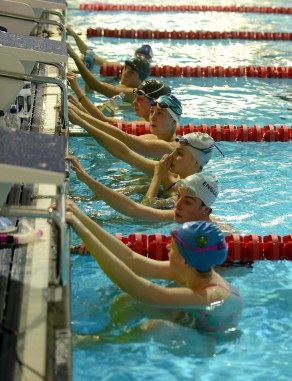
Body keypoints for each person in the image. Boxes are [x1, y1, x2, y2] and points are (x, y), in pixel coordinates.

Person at [65, 205, 244, 338]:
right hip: (190, 319)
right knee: (128, 301)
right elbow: (131, 260)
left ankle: (99, 343)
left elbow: (143, 290)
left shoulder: (213, 295)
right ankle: (108, 333)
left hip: (208, 342)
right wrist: (80, 218)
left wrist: (86, 236)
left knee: (156, 327)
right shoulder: (189, 269)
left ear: (185, 259)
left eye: (172, 247)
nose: (166, 246)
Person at [67, 43, 151, 103]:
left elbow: (95, 86)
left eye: (131, 72)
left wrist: (74, 55)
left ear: (141, 78)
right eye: (125, 68)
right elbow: (92, 90)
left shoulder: (135, 93)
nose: (125, 73)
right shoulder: (123, 87)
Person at [67, 76, 171, 123]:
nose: (134, 103)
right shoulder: (144, 122)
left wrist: (77, 90)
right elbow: (102, 124)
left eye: (140, 99)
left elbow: (102, 123)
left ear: (155, 103)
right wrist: (79, 108)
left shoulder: (146, 125)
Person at [67, 26, 153, 68]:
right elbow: (91, 56)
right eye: (139, 56)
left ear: (150, 61)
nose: (141, 59)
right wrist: (75, 35)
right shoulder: (118, 67)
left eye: (145, 57)